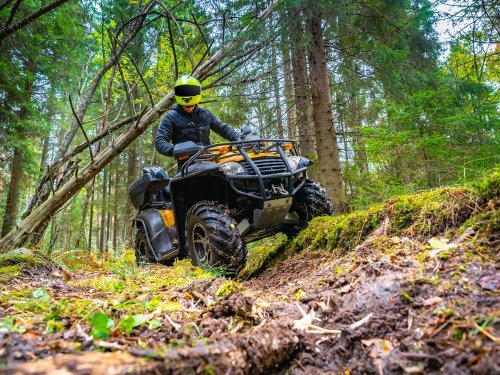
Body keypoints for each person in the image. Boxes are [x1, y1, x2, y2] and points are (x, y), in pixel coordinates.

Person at [155, 75, 240, 162]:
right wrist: (178, 150)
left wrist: (240, 138)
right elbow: (160, 142)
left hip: (211, 160)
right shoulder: (170, 118)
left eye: (191, 90)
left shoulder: (205, 113)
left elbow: (224, 129)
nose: (187, 94)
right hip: (187, 165)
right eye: (183, 91)